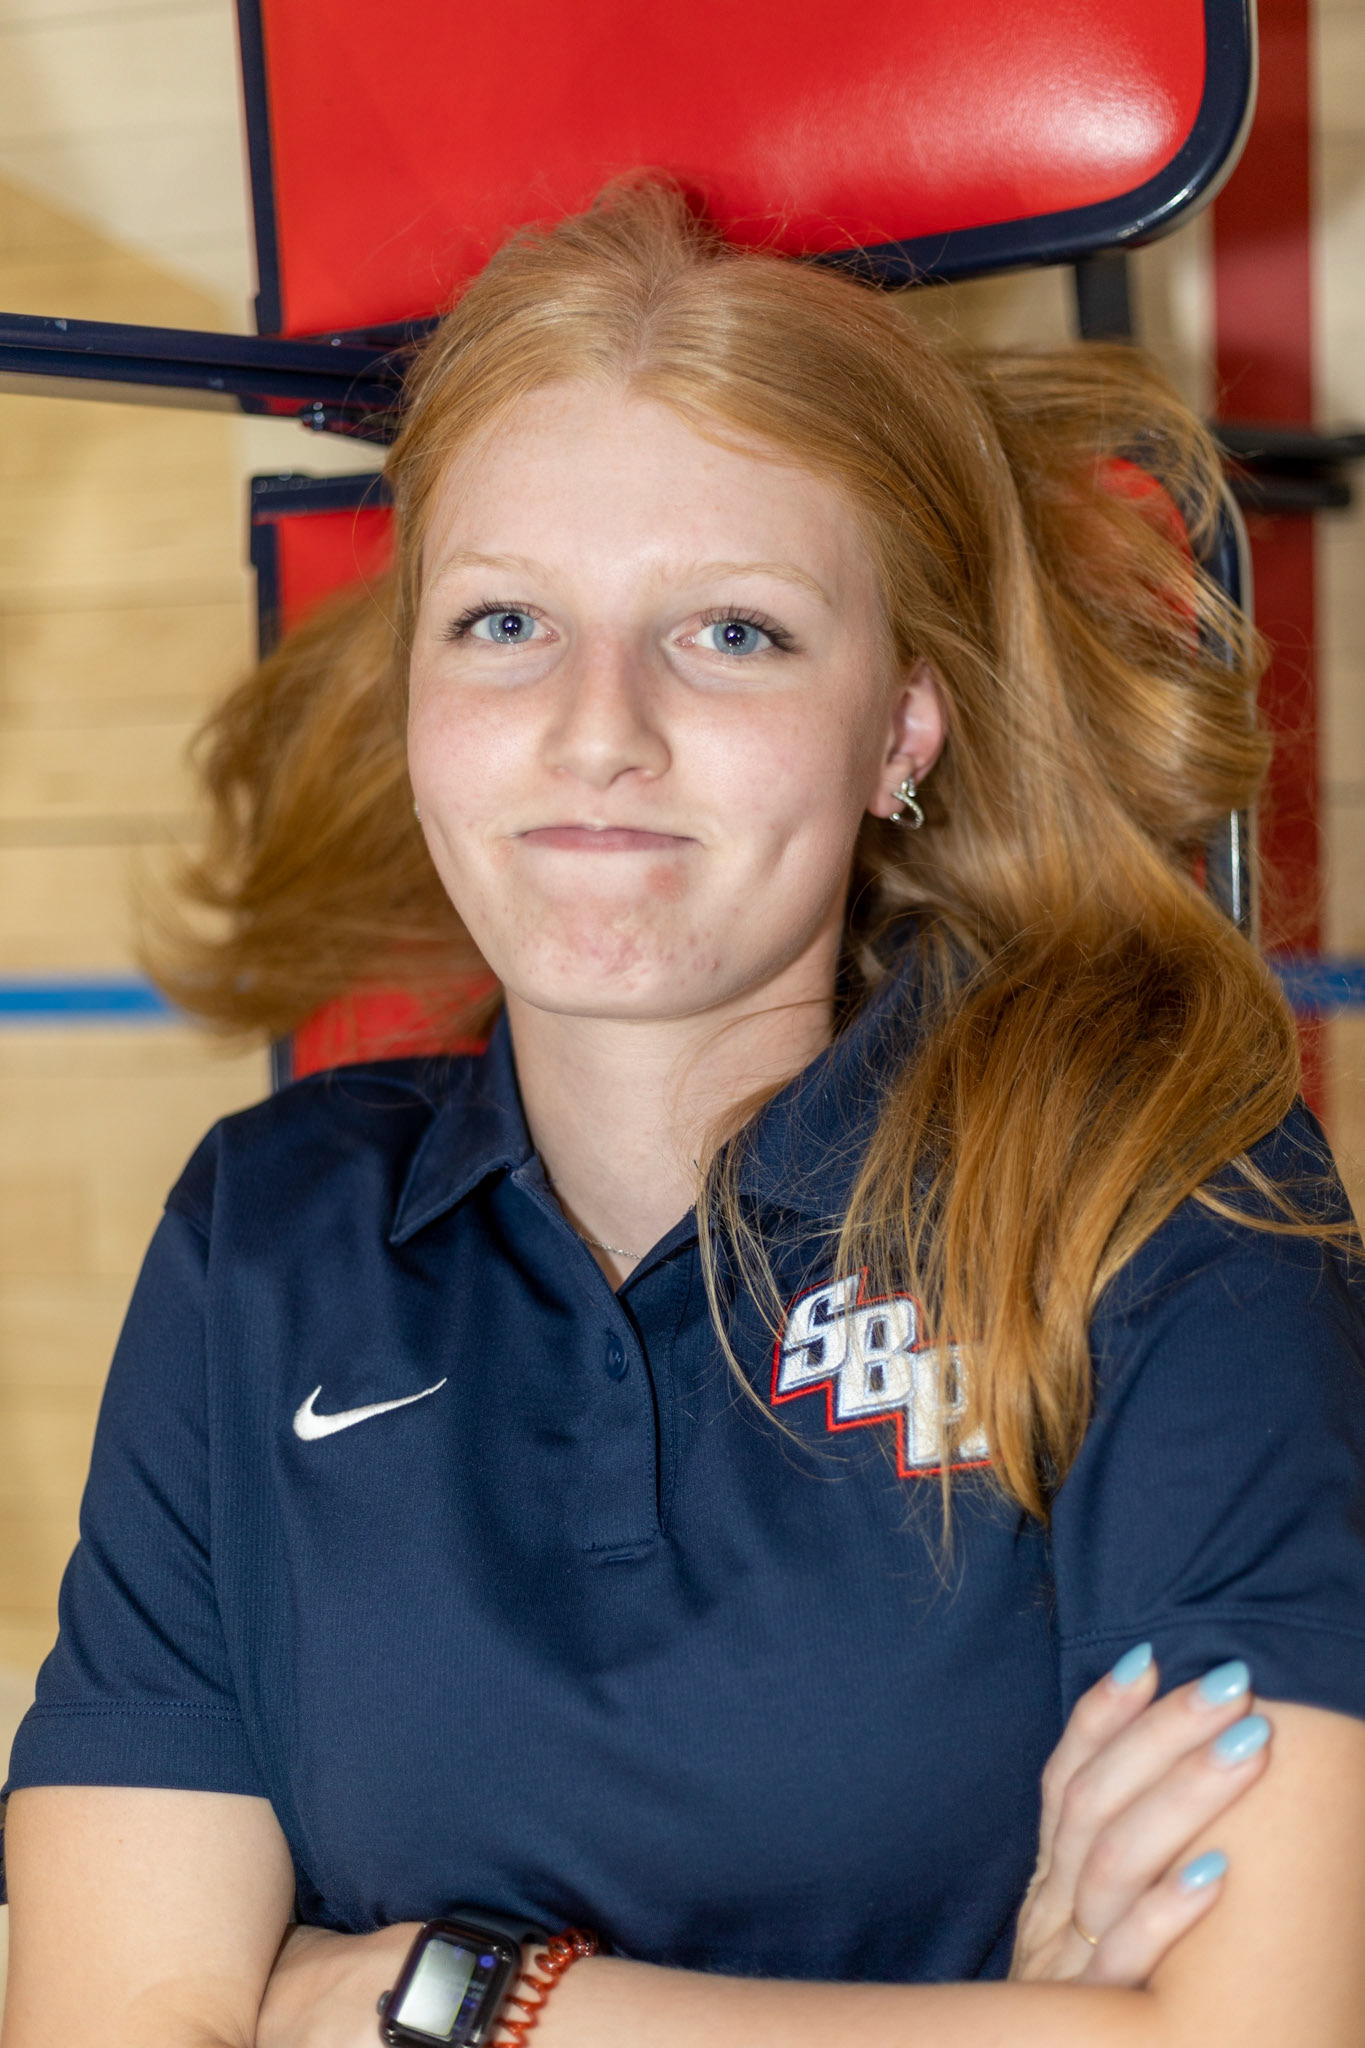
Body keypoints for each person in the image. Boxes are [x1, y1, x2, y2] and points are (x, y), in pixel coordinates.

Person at [4, 180, 1365, 2048]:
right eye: (502, 624)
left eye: (730, 634)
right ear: (414, 688)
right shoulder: (266, 1235)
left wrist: (452, 2003)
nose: (596, 729)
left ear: (903, 724)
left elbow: (1253, 2036)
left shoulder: (1150, 1191)